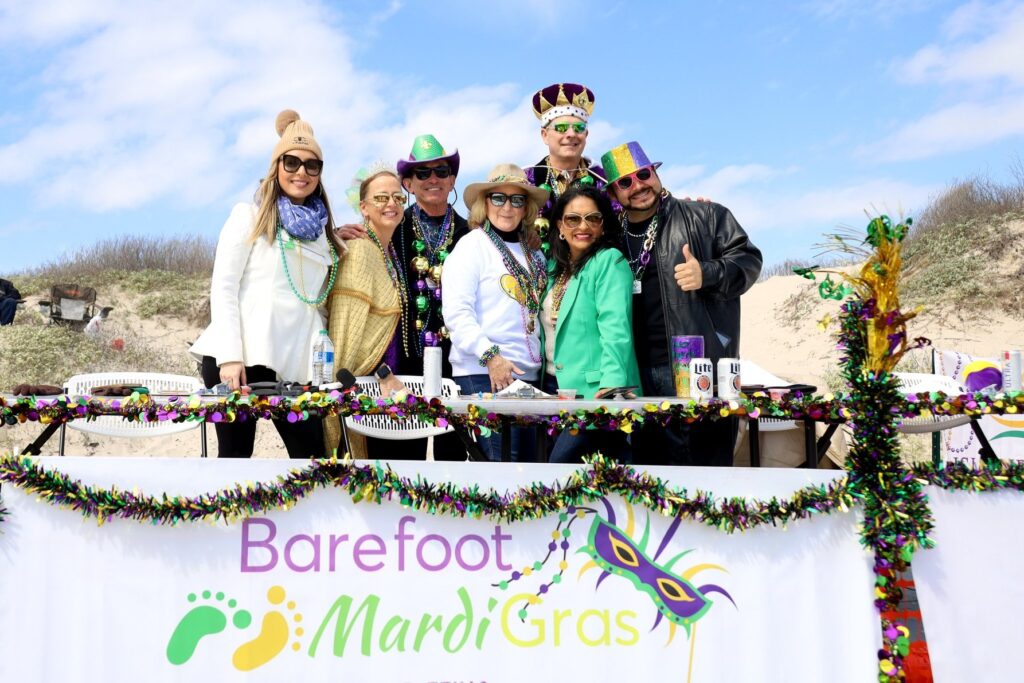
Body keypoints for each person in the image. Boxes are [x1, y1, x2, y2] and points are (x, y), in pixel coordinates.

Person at [601, 141, 763, 467]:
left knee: (708, 470)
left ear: (655, 173)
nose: (638, 186)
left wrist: (708, 272)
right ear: (614, 194)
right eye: (625, 182)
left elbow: (748, 260)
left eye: (643, 174)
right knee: (652, 474)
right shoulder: (610, 239)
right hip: (638, 375)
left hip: (699, 367)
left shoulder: (706, 216)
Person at [190, 109, 339, 458]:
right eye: (291, 162)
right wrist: (230, 356)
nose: (301, 172)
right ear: (276, 166)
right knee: (235, 461)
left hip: (294, 366)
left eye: (311, 165)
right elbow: (223, 288)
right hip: (241, 360)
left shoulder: (322, 236)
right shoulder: (249, 216)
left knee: (311, 459)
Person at [442, 164, 550, 461]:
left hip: (528, 377)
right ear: (484, 202)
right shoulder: (471, 247)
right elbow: (456, 313)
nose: (507, 207)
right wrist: (491, 357)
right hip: (484, 374)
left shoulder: (535, 255)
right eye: (498, 198)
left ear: (526, 207)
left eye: (517, 200)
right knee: (501, 471)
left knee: (529, 472)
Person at [541, 186, 641, 464]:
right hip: (554, 390)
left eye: (592, 218)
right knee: (572, 490)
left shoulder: (609, 261)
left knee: (558, 475)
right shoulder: (555, 269)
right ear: (560, 225)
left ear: (603, 224)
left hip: (596, 394)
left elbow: (616, 328)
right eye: (573, 219)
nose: (583, 226)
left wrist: (612, 387)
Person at [322, 167, 406, 458]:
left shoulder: (387, 252)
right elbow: (345, 334)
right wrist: (345, 392)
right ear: (363, 207)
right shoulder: (359, 250)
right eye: (381, 197)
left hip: (382, 390)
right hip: (360, 392)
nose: (391, 204)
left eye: (398, 197)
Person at [524, 83, 607, 246]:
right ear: (545, 135)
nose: (571, 134)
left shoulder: (604, 180)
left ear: (586, 134)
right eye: (561, 128)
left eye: (579, 128)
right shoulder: (526, 180)